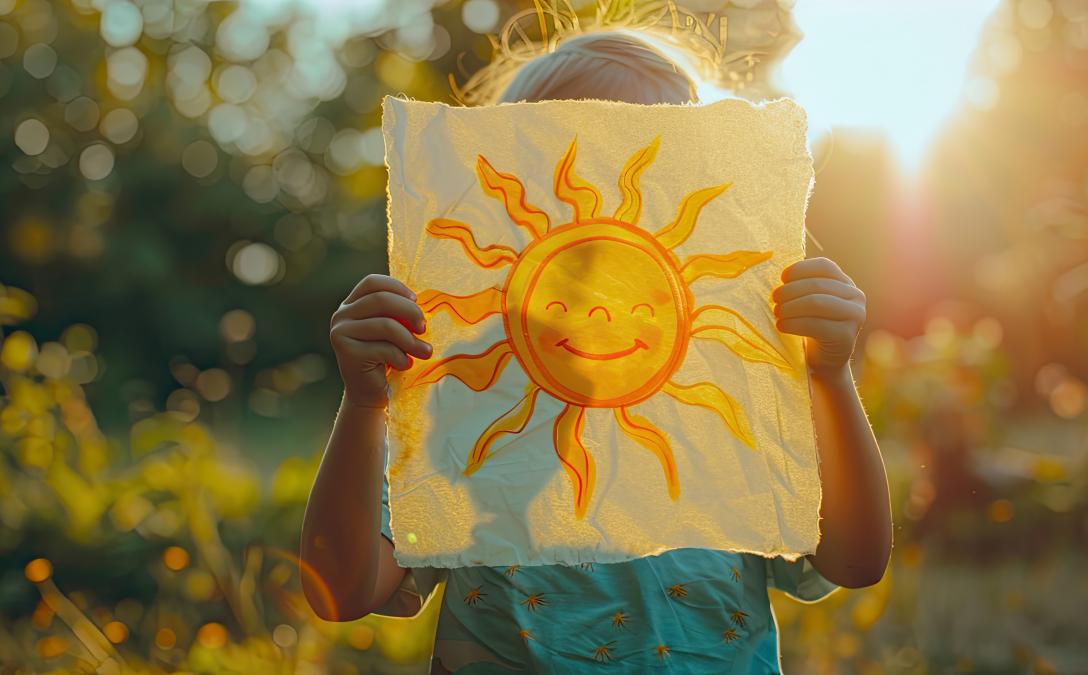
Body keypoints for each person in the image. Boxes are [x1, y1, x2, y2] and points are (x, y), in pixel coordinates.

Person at [301, 30, 891, 672]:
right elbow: (344, 589)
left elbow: (854, 560)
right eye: (560, 174)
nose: (599, 207)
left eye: (636, 170)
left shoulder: (734, 394)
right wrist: (365, 404)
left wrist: (829, 377)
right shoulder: (468, 406)